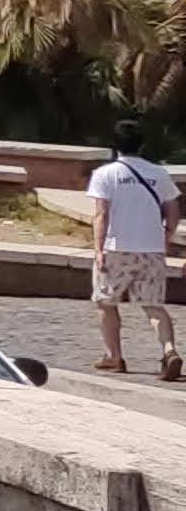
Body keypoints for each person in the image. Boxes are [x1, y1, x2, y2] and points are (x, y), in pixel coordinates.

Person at [91, 124, 181, 381]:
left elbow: (101, 214)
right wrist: (165, 237)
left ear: (115, 145)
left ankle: (114, 356)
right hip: (151, 249)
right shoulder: (159, 174)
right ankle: (169, 350)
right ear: (141, 144)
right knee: (154, 306)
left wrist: (98, 249)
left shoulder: (104, 174)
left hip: (116, 248)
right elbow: (173, 212)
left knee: (106, 302)